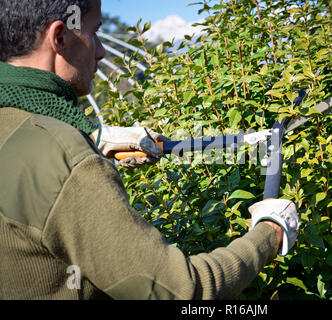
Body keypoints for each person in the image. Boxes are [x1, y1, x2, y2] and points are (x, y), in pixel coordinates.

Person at [0, 0, 300, 300]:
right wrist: (269, 233)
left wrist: (98, 138)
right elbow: (181, 291)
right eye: (94, 33)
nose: (101, 51)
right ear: (60, 38)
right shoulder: (69, 163)